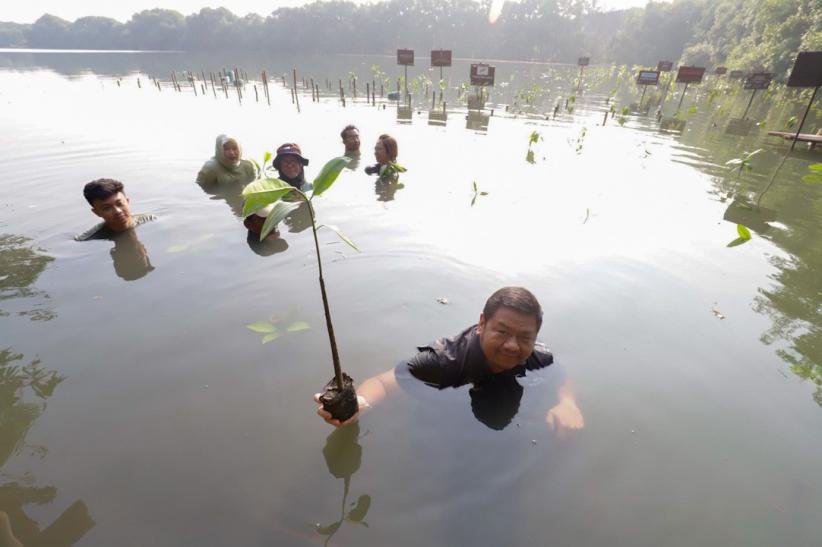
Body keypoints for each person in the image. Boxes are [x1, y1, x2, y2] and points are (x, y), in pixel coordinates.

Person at [315, 287, 584, 432]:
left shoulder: (535, 353)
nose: (513, 346)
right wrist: (358, 404)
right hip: (438, 423)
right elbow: (383, 383)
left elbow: (559, 373)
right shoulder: (442, 362)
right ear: (482, 323)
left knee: (497, 418)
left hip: (494, 404)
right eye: (502, 332)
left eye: (524, 337)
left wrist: (567, 402)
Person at [244, 143, 311, 238]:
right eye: (285, 162)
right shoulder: (271, 188)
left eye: (293, 161)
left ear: (301, 164)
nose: (290, 165)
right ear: (279, 167)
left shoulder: (311, 188)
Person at [74, 179, 155, 241]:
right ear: (96, 213)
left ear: (127, 201)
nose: (118, 211)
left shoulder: (151, 220)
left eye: (119, 204)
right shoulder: (89, 238)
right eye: (107, 208)